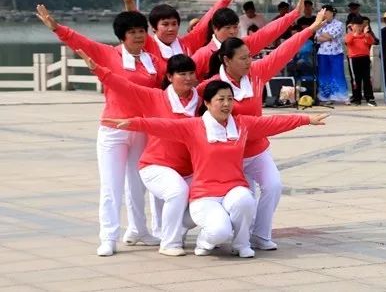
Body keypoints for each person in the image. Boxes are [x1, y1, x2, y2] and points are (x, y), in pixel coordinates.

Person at [100, 81, 327, 258]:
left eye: (230, 99)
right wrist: (135, 123)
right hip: (204, 195)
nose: (227, 104)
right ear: (207, 103)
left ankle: (242, 244)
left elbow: (273, 123)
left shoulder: (242, 124)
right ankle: (204, 242)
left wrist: (306, 118)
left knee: (246, 200)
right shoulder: (194, 127)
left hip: (232, 189)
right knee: (220, 231)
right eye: (221, 99)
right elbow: (163, 125)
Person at [35, 6, 166, 256]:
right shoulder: (108, 54)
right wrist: (56, 27)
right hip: (113, 130)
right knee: (111, 186)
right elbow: (78, 41)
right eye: (132, 32)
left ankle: (140, 230)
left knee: (138, 184)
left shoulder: (154, 61)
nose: (139, 36)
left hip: (141, 128)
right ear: (122, 36)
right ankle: (108, 236)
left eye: (142, 31)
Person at [199, 5, 326, 250]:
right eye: (243, 58)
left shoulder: (256, 72)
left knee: (274, 185)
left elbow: (283, 51)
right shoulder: (212, 86)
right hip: (230, 155)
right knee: (243, 199)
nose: (250, 61)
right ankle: (225, 235)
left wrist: (310, 29)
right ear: (226, 60)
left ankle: (260, 234)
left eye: (250, 56)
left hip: (257, 149)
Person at [80, 52, 200, 257]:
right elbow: (125, 87)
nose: (188, 78)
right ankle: (109, 238)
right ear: (170, 77)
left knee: (210, 197)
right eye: (182, 73)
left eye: (191, 73)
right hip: (158, 164)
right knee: (115, 187)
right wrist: (98, 70)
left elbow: (223, 82)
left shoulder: (200, 98)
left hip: (188, 168)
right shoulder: (155, 97)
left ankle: (159, 230)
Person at [115, 0, 240, 59]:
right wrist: (129, 2)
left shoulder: (187, 44)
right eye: (165, 24)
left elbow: (206, 21)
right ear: (153, 28)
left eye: (174, 24)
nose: (171, 28)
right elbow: (136, 23)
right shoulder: (149, 44)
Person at [192, 0, 301, 81]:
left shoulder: (243, 46)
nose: (232, 32)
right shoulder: (203, 54)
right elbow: (186, 80)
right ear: (215, 28)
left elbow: (267, 33)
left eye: (235, 27)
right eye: (227, 28)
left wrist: (294, 14)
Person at [315, 5, 349, 105]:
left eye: (325, 12)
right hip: (322, 53)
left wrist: (325, 36)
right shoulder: (320, 24)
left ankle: (343, 96)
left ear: (331, 13)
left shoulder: (338, 24)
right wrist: (325, 34)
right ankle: (326, 97)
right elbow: (317, 38)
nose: (323, 14)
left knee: (338, 74)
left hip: (335, 53)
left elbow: (331, 36)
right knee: (324, 75)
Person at [346, 15, 377, 106]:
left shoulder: (365, 35)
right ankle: (357, 98)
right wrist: (354, 33)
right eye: (357, 26)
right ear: (352, 26)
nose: (359, 28)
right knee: (356, 79)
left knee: (367, 78)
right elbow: (348, 42)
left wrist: (366, 33)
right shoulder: (349, 35)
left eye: (360, 26)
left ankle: (370, 98)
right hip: (354, 58)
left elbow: (370, 42)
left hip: (365, 58)